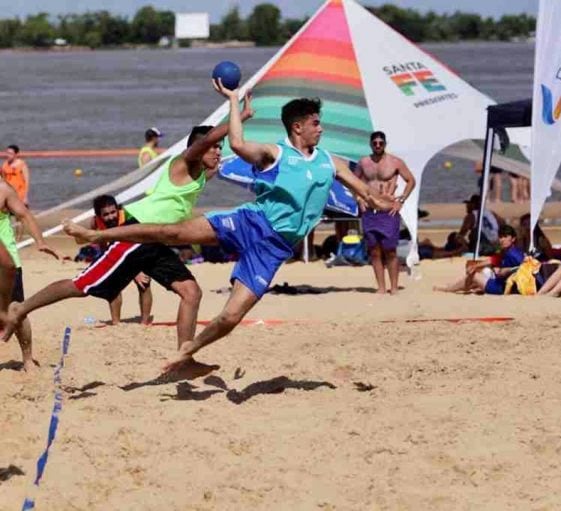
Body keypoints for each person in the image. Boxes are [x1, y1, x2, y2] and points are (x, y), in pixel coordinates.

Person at [60, 83, 393, 375]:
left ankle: (188, 350)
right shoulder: (276, 153)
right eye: (315, 124)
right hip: (251, 221)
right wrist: (234, 102)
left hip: (275, 248)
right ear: (298, 127)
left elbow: (365, 192)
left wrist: (381, 200)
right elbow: (236, 143)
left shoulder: (329, 161)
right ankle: (98, 235)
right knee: (172, 233)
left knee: (230, 318)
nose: (321, 129)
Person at [1, 95, 255, 366]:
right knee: (82, 285)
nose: (217, 151)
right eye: (214, 147)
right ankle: (21, 308)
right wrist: (238, 114)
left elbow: (235, 153)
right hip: (135, 234)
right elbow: (203, 141)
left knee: (191, 292)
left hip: (156, 241)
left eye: (220, 147)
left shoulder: (204, 172)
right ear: (196, 148)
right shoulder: (183, 164)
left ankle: (184, 359)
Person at [0, 181, 63, 371]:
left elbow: (24, 215)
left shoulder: (2, 189)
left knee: (16, 309)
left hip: (7, 263)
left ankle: (27, 359)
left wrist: (40, 241)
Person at [355, 131, 416, 294]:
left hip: (388, 210)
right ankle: (381, 288)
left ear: (385, 144)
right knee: (374, 250)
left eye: (380, 143)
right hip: (369, 210)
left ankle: (394, 287)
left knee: (390, 250)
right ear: (370, 144)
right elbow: (353, 182)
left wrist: (401, 200)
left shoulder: (395, 162)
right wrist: (359, 199)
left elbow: (411, 180)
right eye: (374, 143)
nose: (377, 145)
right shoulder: (363, 162)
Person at [91, 195, 153, 325]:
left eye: (113, 212)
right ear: (99, 215)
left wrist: (136, 272)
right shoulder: (95, 222)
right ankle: (116, 323)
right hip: (116, 249)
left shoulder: (129, 219)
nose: (111, 217)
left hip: (139, 248)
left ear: (118, 209)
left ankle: (145, 322)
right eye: (106, 214)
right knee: (113, 285)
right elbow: (102, 243)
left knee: (144, 282)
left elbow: (134, 247)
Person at [434, 225, 524, 294]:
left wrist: (502, 271)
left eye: (505, 237)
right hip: (500, 283)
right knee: (479, 273)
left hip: (501, 288)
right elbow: (492, 260)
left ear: (513, 239)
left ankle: (448, 289)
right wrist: (475, 265)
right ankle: (453, 287)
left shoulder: (513, 254)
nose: (502, 240)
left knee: (474, 276)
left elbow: (522, 269)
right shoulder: (508, 251)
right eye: (500, 237)